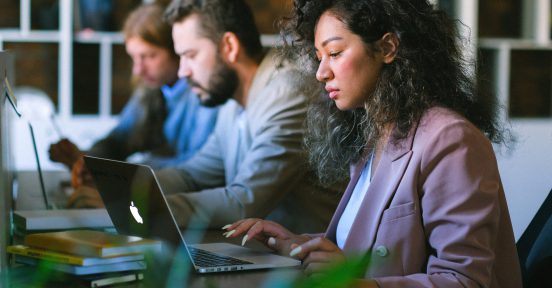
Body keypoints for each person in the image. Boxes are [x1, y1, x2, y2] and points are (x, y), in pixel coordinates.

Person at [223, 0, 523, 287]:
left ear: (387, 48)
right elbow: (364, 248)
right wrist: (297, 245)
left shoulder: (451, 140)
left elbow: (465, 281)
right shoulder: (376, 136)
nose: (321, 72)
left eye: (335, 53)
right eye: (319, 57)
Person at [67, 0, 342, 233]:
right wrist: (120, 185)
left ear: (229, 47)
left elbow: (244, 201)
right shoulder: (233, 102)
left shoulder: (288, 91)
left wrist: (132, 207)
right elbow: (193, 175)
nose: (183, 71)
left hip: (312, 271)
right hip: (263, 258)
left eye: (190, 55)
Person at [49, 3, 218, 172]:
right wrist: (86, 159)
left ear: (176, 51)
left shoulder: (202, 93)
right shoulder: (152, 89)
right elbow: (119, 139)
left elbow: (197, 167)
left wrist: (123, 171)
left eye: (149, 56)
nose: (138, 70)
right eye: (134, 58)